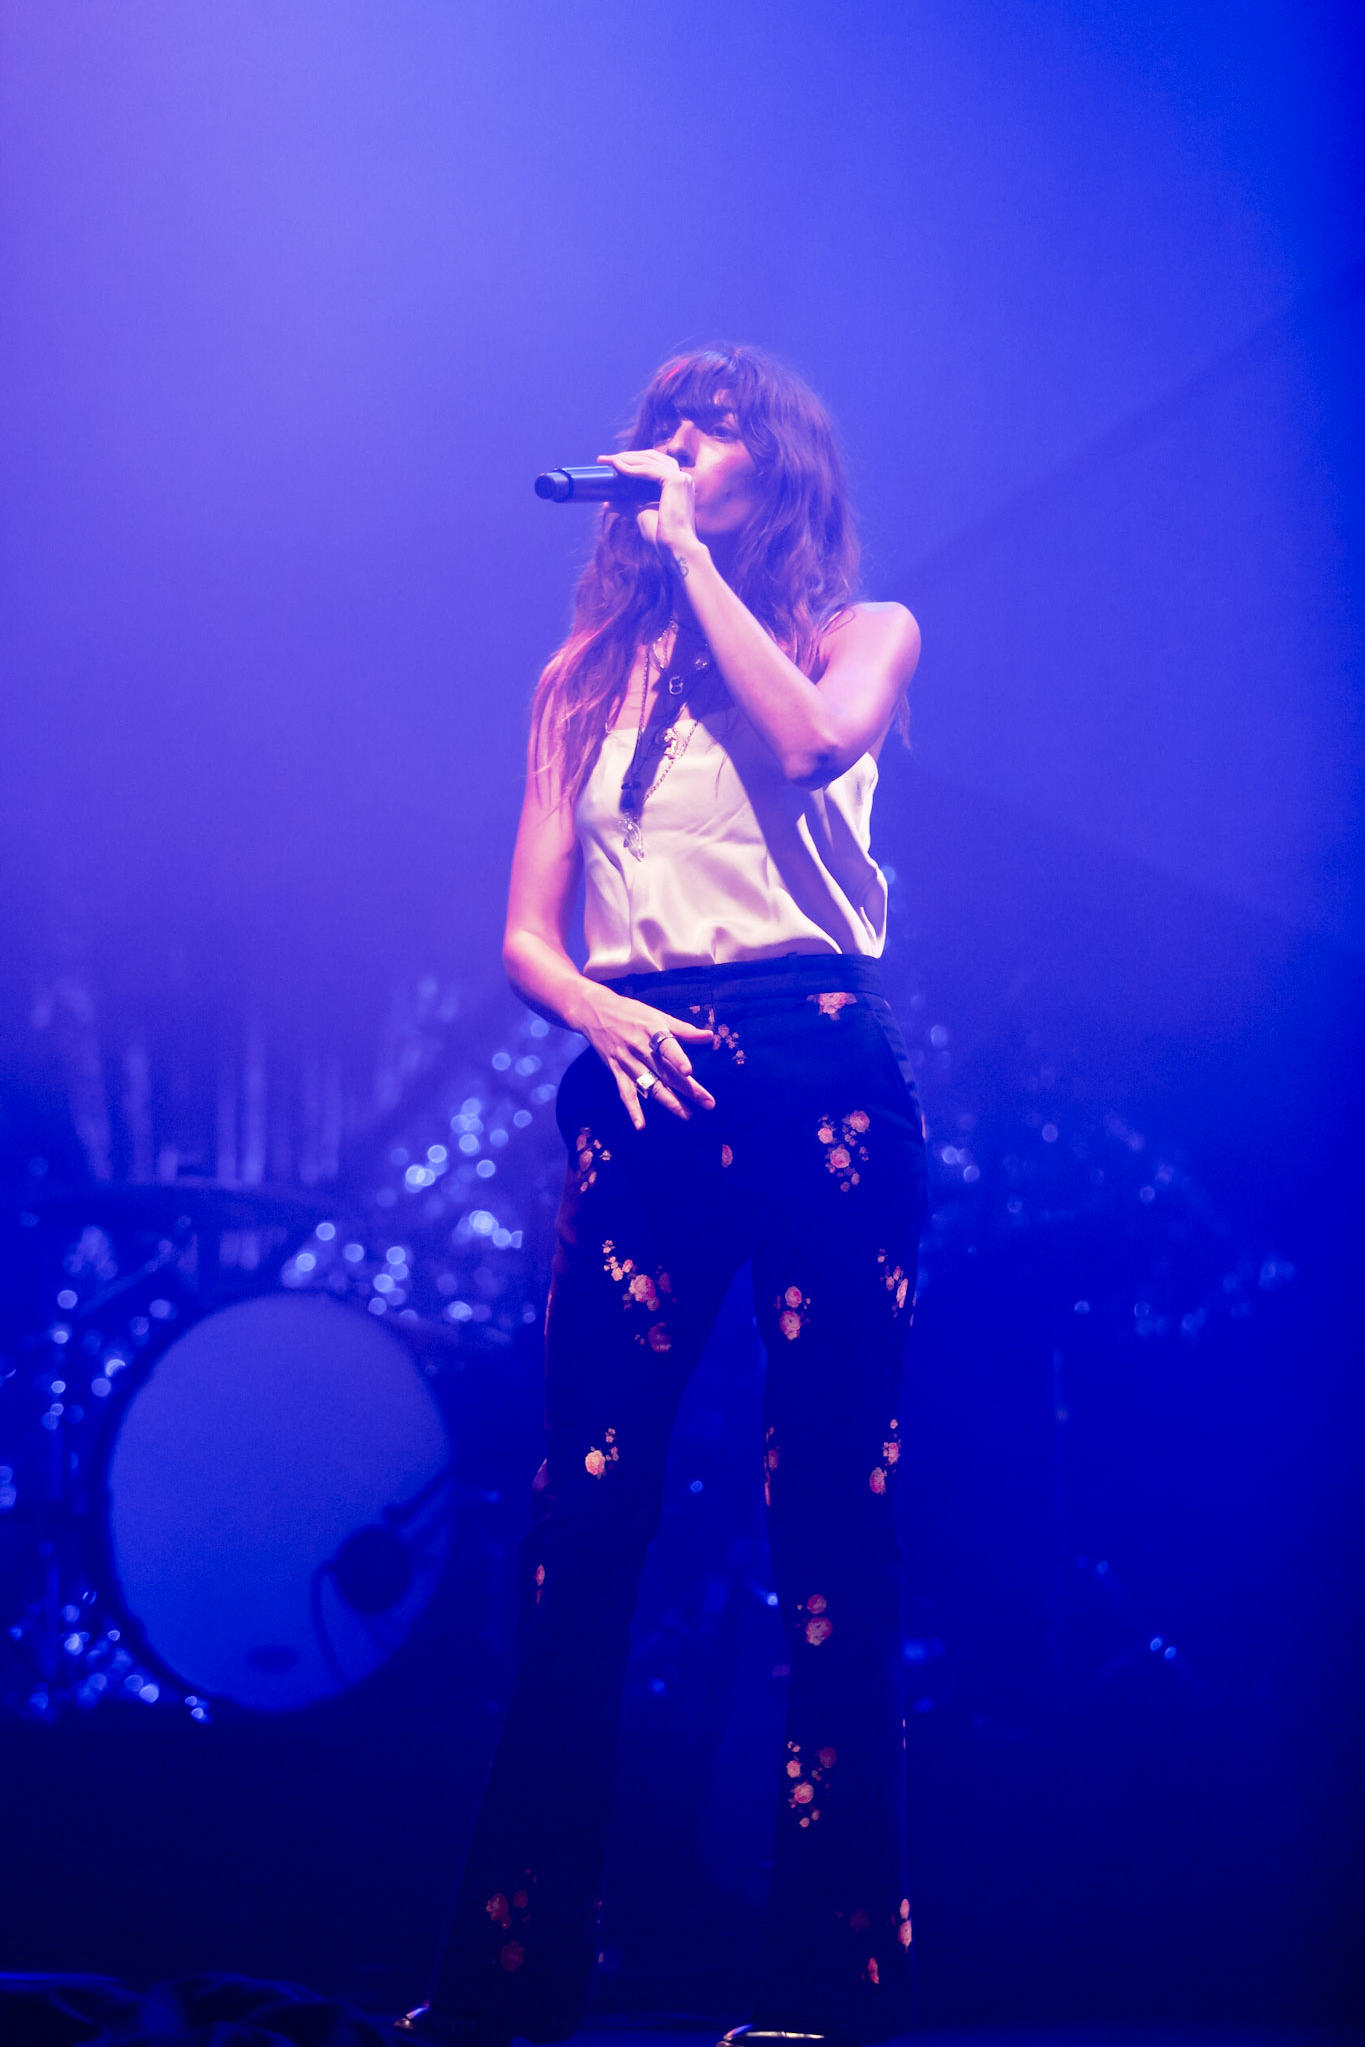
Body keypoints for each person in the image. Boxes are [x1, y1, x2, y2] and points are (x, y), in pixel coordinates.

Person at [396, 345, 925, 2047]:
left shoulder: (865, 633)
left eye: (707, 439)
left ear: (773, 475)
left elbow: (801, 747)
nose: (670, 457)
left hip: (811, 1064)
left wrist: (690, 566)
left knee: (827, 1523)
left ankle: (819, 2001)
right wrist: (592, 1004)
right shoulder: (579, 677)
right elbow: (524, 932)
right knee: (581, 1530)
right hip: (639, 1076)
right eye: (659, 437)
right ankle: (500, 1992)